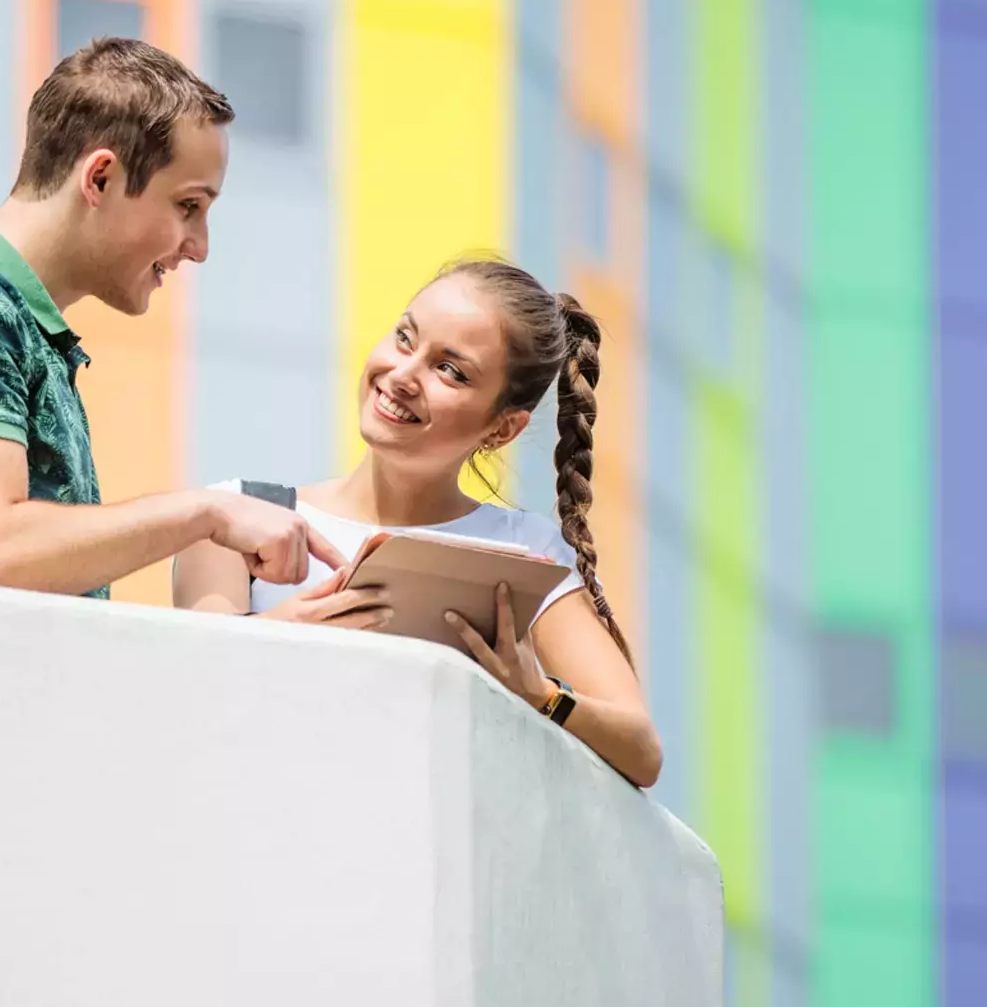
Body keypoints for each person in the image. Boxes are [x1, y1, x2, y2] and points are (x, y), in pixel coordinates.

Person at [0, 37, 344, 597]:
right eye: (188, 206)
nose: (200, 247)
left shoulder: (12, 323)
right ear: (99, 179)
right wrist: (205, 513)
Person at [171, 260, 663, 787]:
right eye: (405, 338)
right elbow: (190, 688)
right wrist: (288, 632)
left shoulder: (524, 552)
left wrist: (537, 693)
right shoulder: (234, 516)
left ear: (501, 429)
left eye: (451, 371)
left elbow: (640, 749)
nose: (404, 376)